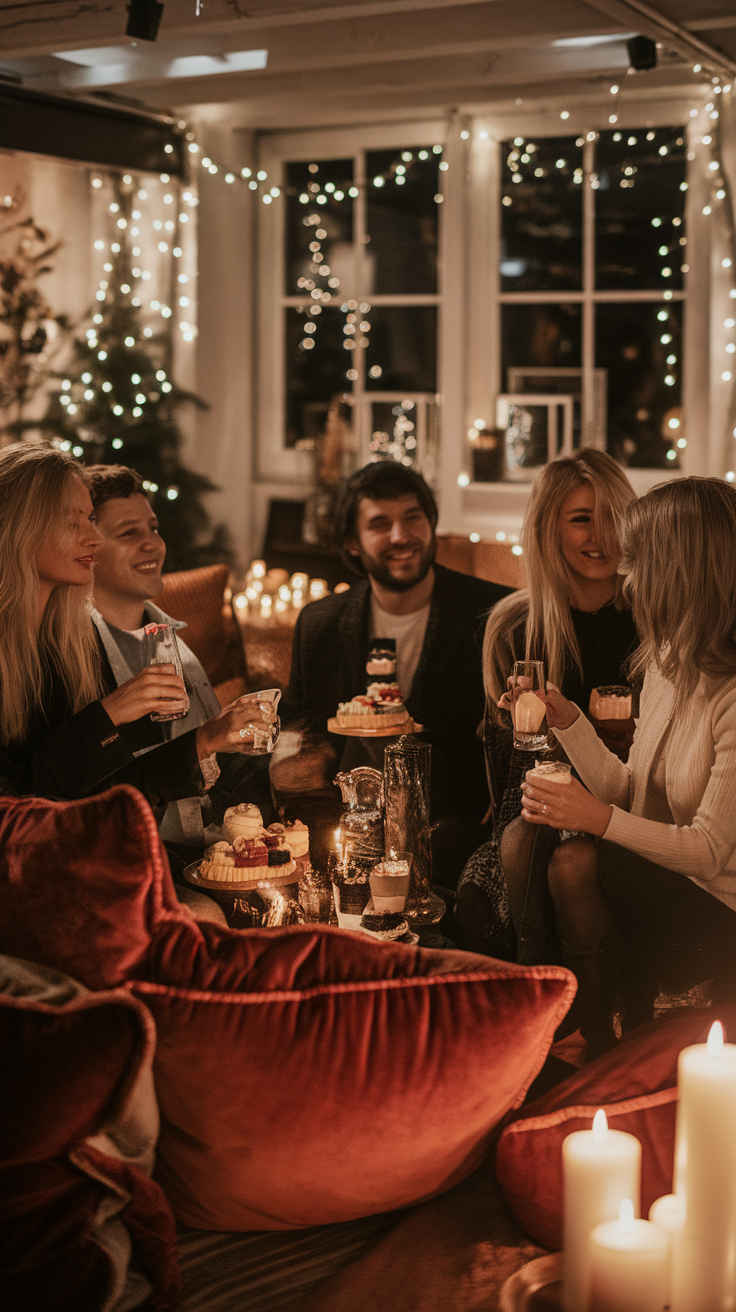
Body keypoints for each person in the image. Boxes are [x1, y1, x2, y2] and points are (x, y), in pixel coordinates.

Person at [519, 477, 736, 1051]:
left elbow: (709, 850)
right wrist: (567, 720)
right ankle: (605, 1024)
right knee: (564, 854)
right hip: (666, 881)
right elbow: (628, 789)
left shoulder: (732, 693)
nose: (627, 578)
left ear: (680, 571)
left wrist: (596, 819)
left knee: (583, 861)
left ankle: (603, 1024)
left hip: (722, 906)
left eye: (639, 562)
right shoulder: (667, 664)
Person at [0, 445, 271, 840]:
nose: (92, 537)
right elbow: (29, 804)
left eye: (91, 519)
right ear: (20, 527)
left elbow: (106, 794)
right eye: (72, 522)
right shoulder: (61, 647)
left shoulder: (64, 646)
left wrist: (206, 739)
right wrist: (108, 715)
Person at [454, 449, 638, 982]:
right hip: (528, 808)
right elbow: (506, 777)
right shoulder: (513, 629)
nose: (601, 535)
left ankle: (580, 1010)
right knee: (503, 862)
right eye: (581, 518)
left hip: (628, 811)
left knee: (571, 863)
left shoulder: (656, 620)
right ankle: (540, 996)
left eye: (613, 516)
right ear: (547, 529)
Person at [280, 461, 513, 882]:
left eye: (412, 518)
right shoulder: (319, 624)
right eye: (379, 523)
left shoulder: (493, 616)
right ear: (352, 541)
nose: (401, 536)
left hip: (454, 838)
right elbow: (299, 731)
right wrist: (289, 762)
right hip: (342, 838)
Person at [84, 463, 273, 870]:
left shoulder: (170, 639)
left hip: (206, 842)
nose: (153, 544)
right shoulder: (78, 655)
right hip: (135, 859)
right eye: (129, 533)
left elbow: (213, 765)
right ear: (87, 548)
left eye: (153, 528)